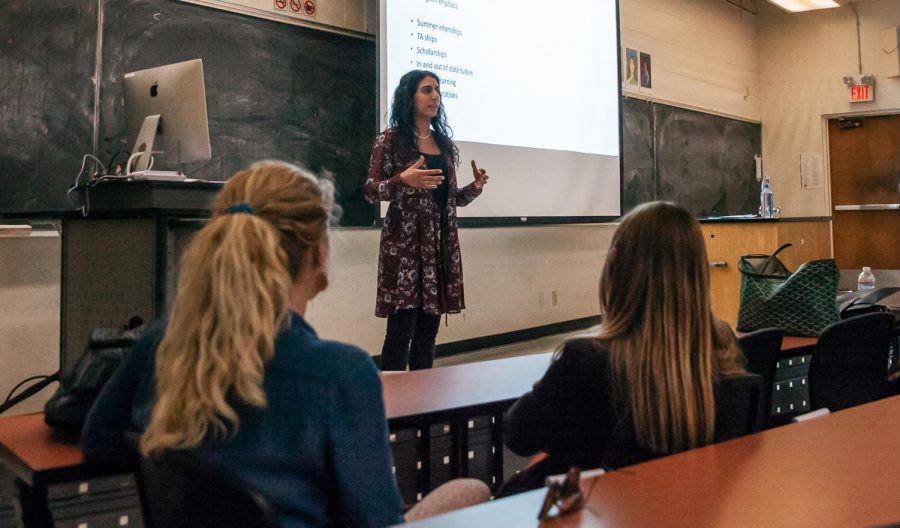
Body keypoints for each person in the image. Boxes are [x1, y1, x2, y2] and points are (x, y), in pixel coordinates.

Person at [82, 161, 487, 527]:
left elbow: (98, 442)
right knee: (472, 492)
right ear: (317, 254)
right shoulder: (341, 374)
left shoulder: (160, 344)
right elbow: (376, 520)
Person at [497, 201, 760, 496]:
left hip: (593, 513)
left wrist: (544, 390)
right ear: (697, 272)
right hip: (685, 512)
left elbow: (517, 436)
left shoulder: (586, 360)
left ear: (616, 267)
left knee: (464, 490)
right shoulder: (723, 350)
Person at [365, 70, 489, 371]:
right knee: (401, 330)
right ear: (409, 97)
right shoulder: (390, 140)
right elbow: (371, 190)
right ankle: (393, 408)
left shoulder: (443, 143)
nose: (435, 96)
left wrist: (475, 188)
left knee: (428, 331)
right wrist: (401, 180)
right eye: (426, 90)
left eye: (437, 90)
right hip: (404, 249)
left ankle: (425, 404)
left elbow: (450, 200)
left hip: (438, 248)